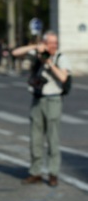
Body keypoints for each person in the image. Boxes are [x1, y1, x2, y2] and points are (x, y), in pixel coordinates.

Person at [11, 31, 71, 187]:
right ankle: (35, 172)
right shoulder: (36, 54)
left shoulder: (60, 58)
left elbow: (63, 78)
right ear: (44, 43)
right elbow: (15, 53)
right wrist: (35, 47)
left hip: (53, 100)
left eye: (55, 43)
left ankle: (53, 174)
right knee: (35, 139)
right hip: (37, 100)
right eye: (51, 43)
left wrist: (49, 62)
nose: (54, 46)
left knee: (53, 139)